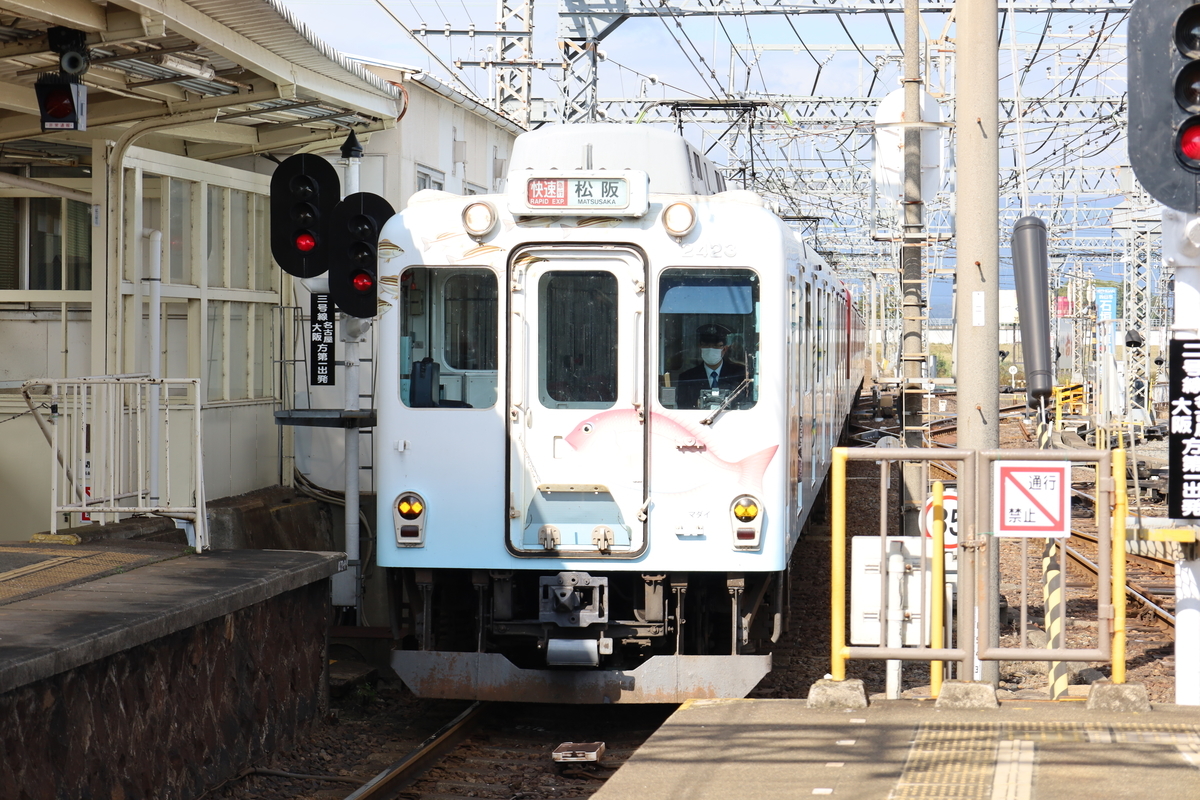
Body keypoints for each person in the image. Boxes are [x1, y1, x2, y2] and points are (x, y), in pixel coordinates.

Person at [676, 324, 747, 409]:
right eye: (706, 346)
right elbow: (683, 407)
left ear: (724, 349)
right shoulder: (687, 377)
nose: (710, 349)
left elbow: (743, 404)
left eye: (716, 346)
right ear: (700, 347)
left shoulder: (739, 375)